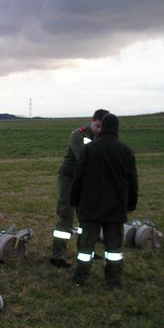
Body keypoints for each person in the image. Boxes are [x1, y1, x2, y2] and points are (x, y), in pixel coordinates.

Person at [70, 114, 138, 287]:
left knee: (86, 248)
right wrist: (131, 204)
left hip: (90, 208)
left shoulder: (89, 149)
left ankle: (80, 279)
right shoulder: (126, 151)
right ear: (116, 129)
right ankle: (114, 280)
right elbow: (132, 181)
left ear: (102, 127)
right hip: (115, 210)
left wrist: (74, 200)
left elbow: (78, 178)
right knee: (114, 249)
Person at [50, 109, 109, 268]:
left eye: (103, 128)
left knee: (86, 217)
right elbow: (84, 159)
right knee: (66, 216)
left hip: (86, 180)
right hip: (69, 178)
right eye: (98, 126)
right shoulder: (78, 134)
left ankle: (85, 251)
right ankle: (57, 256)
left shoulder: (103, 137)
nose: (100, 130)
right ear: (92, 121)